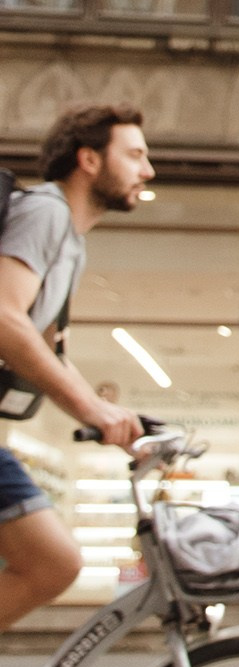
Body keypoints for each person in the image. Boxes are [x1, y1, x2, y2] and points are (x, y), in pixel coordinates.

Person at [0, 101, 154, 632]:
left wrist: (115, 419)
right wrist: (90, 408)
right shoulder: (47, 212)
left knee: (52, 564)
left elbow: (47, 349)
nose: (147, 170)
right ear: (89, 160)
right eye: (134, 155)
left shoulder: (72, 242)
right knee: (52, 563)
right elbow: (3, 315)